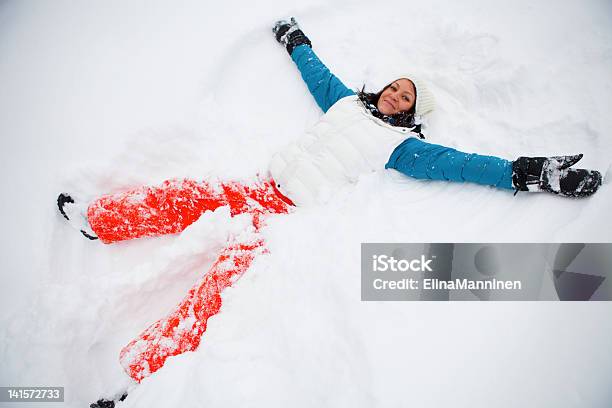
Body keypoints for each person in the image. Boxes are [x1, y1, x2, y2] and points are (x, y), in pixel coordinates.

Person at [59, 17, 602, 400]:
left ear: (414, 112)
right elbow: (316, 72)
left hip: (283, 217)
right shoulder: (343, 101)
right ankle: (98, 219)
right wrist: (295, 39)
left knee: (212, 294)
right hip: (256, 186)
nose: (395, 96)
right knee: (182, 195)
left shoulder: (404, 148)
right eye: (393, 87)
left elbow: (464, 164)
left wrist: (530, 174)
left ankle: (137, 376)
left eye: (406, 97)